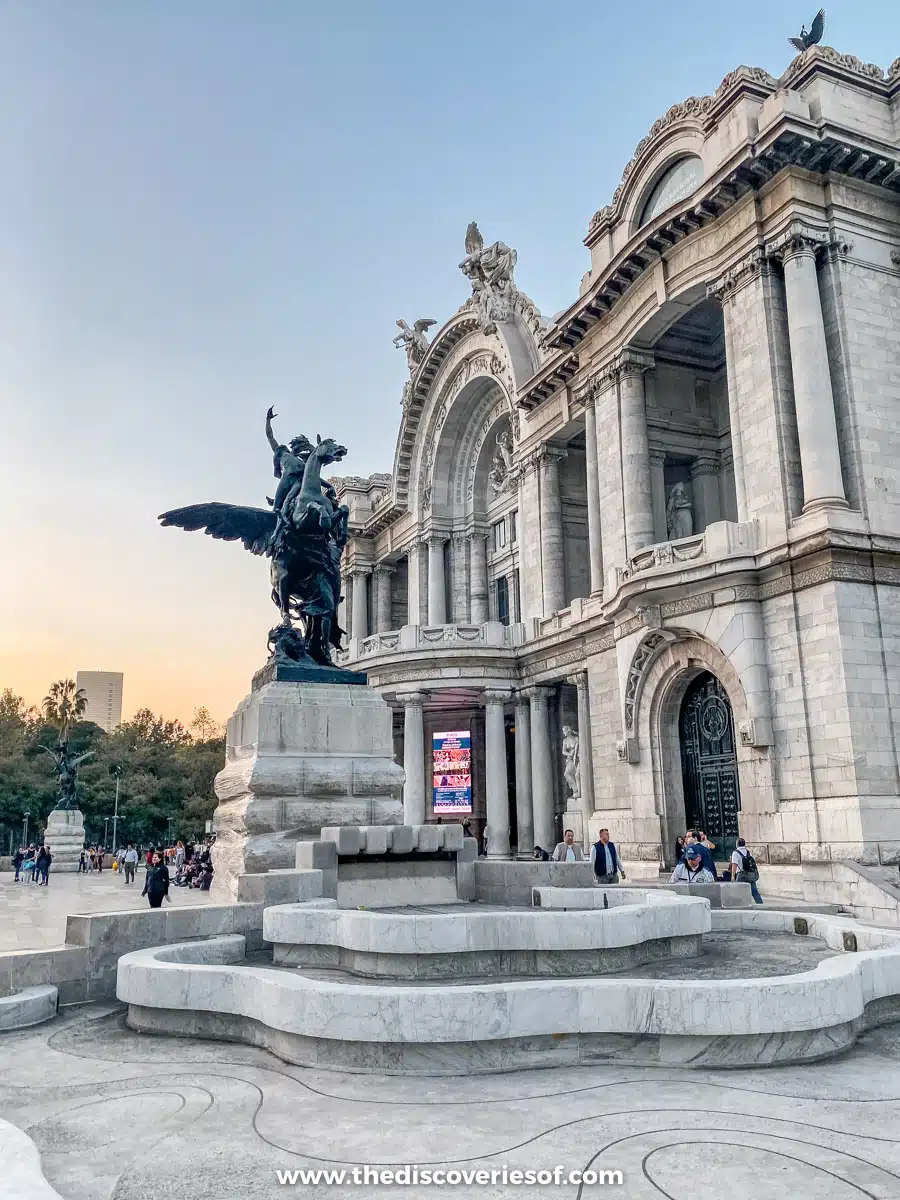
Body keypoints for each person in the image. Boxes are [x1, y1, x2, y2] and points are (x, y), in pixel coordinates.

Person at [731, 838, 763, 904]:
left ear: (737, 844)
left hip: (741, 875)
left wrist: (733, 876)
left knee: (738, 891)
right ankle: (760, 903)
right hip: (750, 874)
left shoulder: (735, 853)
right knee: (754, 891)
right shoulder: (748, 852)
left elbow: (734, 865)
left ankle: (741, 904)